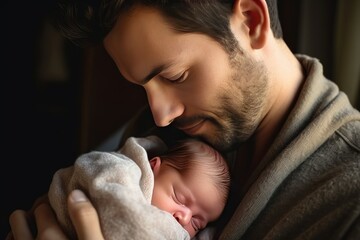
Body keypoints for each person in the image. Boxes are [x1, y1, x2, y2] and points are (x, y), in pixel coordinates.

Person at [8, 0, 360, 239]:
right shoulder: (155, 137)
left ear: (252, 20)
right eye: (142, 87)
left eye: (175, 77)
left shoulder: (349, 200)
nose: (161, 115)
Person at [47, 135, 230, 240]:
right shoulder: (120, 169)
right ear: (152, 166)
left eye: (196, 224)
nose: (184, 218)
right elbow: (132, 220)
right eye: (179, 198)